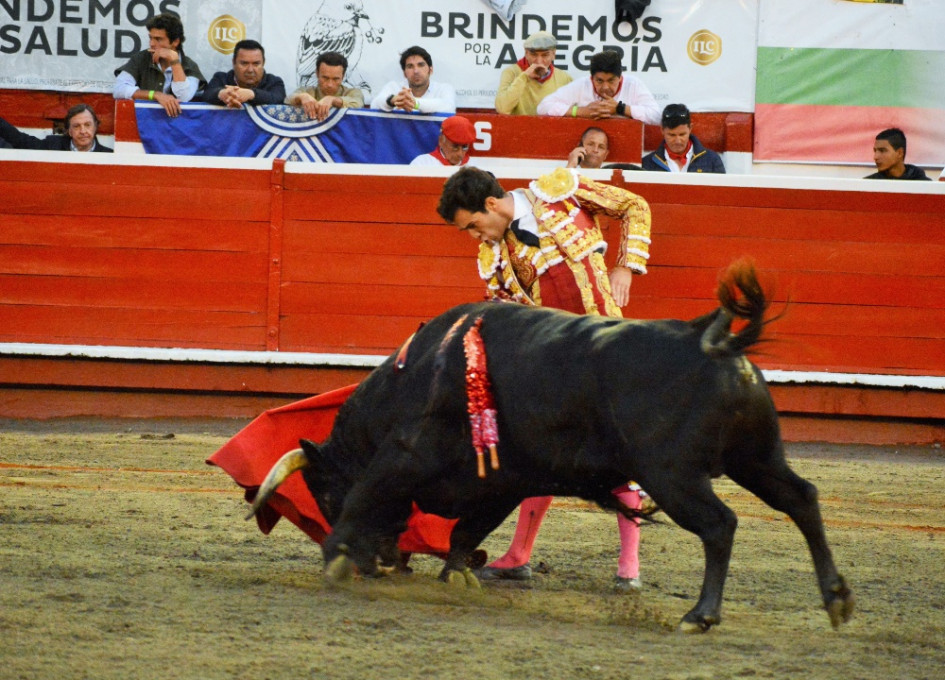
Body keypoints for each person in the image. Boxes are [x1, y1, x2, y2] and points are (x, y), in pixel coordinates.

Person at [436, 165, 652, 590]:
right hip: (553, 364)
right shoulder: (492, 258)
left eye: (474, 225)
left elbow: (633, 205)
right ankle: (519, 555)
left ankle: (630, 566)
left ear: (492, 204)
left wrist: (627, 266)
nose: (475, 237)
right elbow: (505, 318)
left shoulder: (559, 192)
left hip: (606, 348)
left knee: (616, 448)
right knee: (542, 454)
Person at [113, 13, 206, 118]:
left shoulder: (190, 66)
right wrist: (155, 95)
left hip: (177, 128)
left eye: (158, 39)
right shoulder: (141, 58)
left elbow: (184, 96)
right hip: (144, 125)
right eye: (151, 38)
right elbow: (119, 89)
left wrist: (174, 61)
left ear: (175, 41)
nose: (152, 43)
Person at [536, 50, 660, 125]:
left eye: (611, 81)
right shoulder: (582, 84)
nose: (605, 87)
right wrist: (580, 111)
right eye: (599, 81)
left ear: (620, 78)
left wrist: (620, 109)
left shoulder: (633, 84)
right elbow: (543, 107)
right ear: (592, 78)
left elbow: (656, 116)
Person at [494, 31, 572, 116]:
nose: (539, 61)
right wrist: (524, 76)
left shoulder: (564, 78)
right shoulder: (512, 72)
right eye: (534, 55)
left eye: (545, 55)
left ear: (553, 54)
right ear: (526, 53)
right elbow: (502, 108)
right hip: (520, 128)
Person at [199, 39, 286, 108]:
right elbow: (207, 94)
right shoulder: (221, 78)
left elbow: (279, 99)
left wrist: (251, 94)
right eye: (244, 63)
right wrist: (223, 94)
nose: (250, 70)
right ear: (234, 62)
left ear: (263, 63)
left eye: (256, 64)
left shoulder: (274, 82)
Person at [370, 46, 456, 114]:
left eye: (421, 65)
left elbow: (449, 107)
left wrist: (415, 103)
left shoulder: (444, 88)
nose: (416, 71)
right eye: (410, 66)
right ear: (404, 73)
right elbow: (374, 105)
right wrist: (393, 100)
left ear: (430, 70)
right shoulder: (394, 86)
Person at [642, 104, 726, 174]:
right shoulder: (647, 164)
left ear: (690, 129)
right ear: (662, 130)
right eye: (671, 135)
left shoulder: (712, 160)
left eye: (682, 134)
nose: (678, 141)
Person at [285, 51, 364, 121]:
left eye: (335, 79)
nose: (330, 84)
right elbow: (287, 99)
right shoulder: (307, 91)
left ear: (343, 76)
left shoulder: (352, 92)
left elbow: (358, 103)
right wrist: (301, 97)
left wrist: (333, 100)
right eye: (325, 78)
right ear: (317, 73)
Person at [0, 104, 112, 152]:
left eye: (87, 125)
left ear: (96, 126)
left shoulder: (108, 155)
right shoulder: (53, 145)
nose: (83, 131)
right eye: (76, 126)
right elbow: (20, 140)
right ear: (69, 131)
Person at [864, 128, 931, 180]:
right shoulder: (867, 185)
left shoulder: (926, 186)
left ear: (899, 153)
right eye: (875, 151)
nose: (875, 157)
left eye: (882, 151)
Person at [410, 115, 477, 166]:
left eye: (465, 147)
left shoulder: (475, 168)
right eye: (455, 147)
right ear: (441, 141)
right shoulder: (422, 164)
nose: (460, 154)